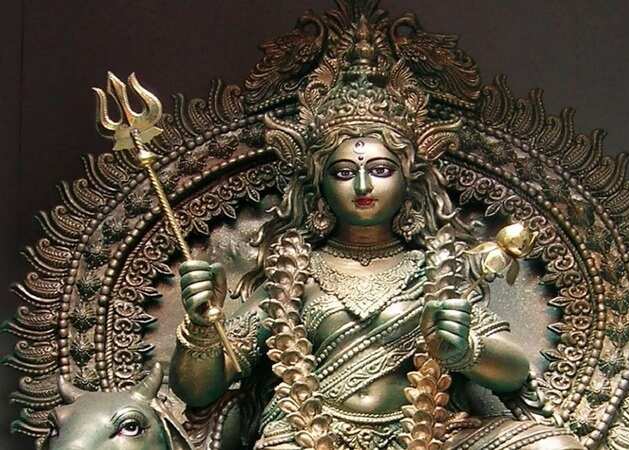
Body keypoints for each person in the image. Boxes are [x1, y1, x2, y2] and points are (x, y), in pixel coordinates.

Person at [170, 17, 583, 450]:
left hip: (428, 435)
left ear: (409, 181)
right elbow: (198, 390)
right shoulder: (294, 274)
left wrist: (465, 350)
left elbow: (515, 371)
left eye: (381, 170)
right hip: (310, 437)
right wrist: (201, 325)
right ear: (319, 186)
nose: (364, 186)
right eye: (344, 172)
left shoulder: (433, 269)